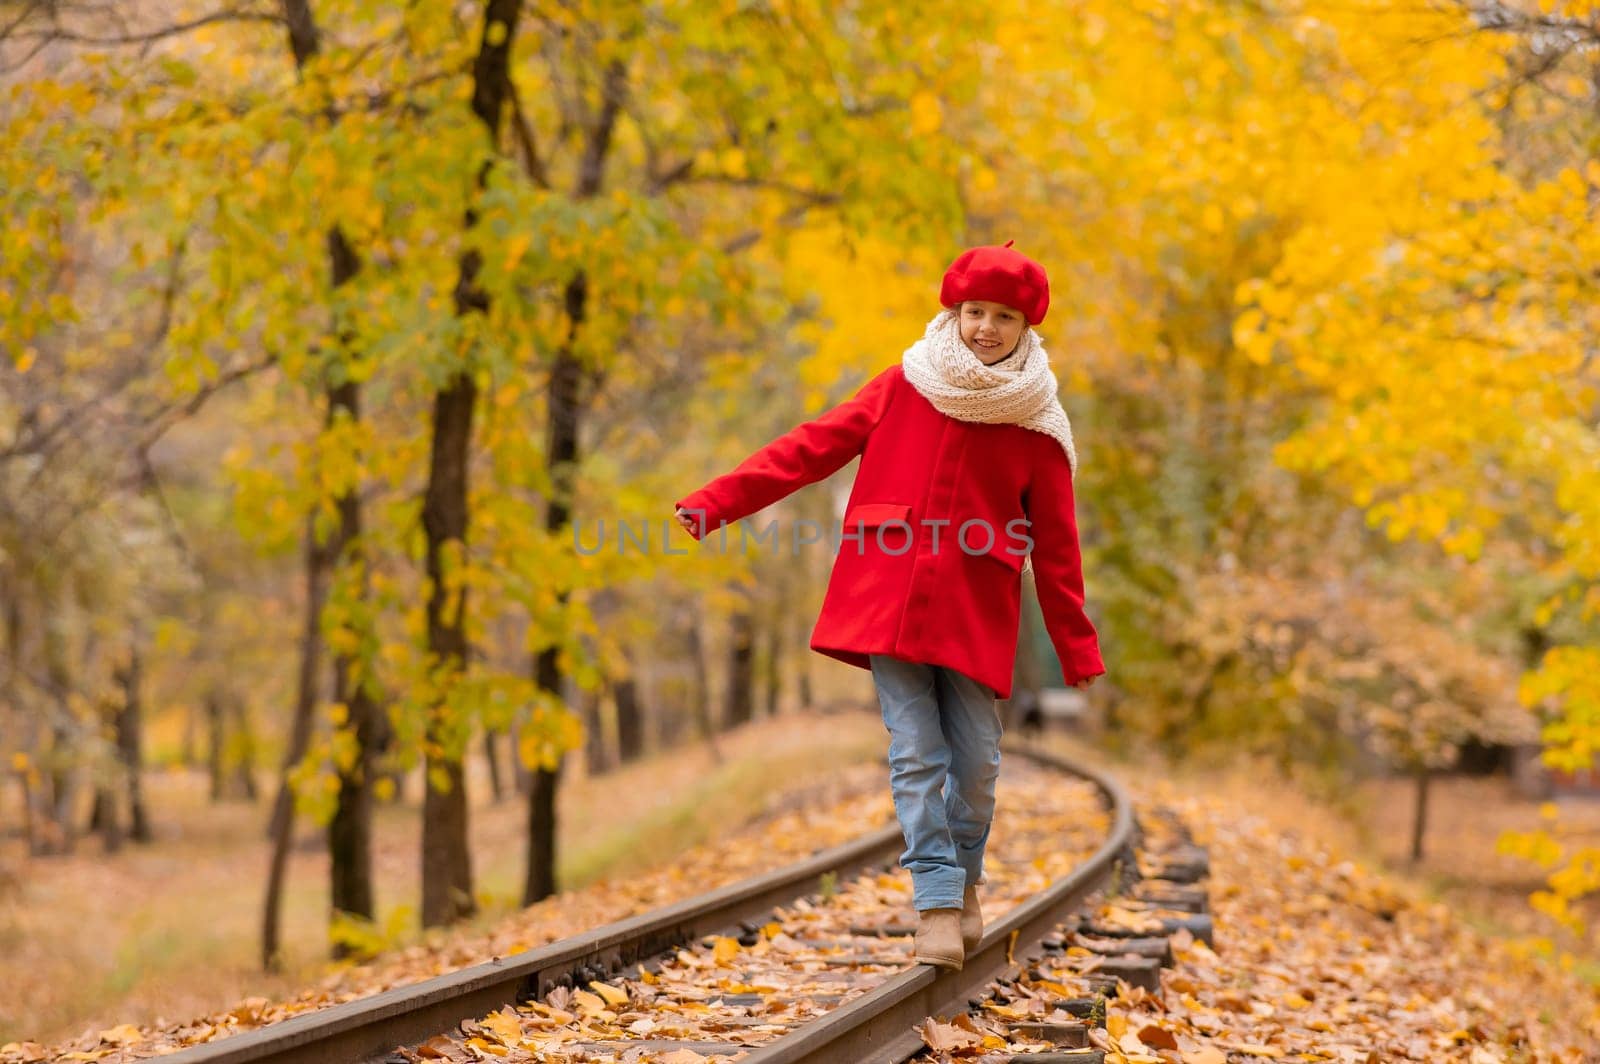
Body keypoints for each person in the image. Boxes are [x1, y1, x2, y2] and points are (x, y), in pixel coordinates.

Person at [673, 241, 1104, 970]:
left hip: (975, 606)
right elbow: (810, 447)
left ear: (1026, 326)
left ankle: (963, 881)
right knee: (914, 752)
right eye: (974, 312)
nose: (985, 328)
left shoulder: (1038, 424)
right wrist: (720, 501)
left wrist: (1076, 647)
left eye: (1002, 316)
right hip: (889, 597)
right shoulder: (906, 384)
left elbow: (1058, 549)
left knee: (976, 765)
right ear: (954, 312)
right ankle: (935, 901)